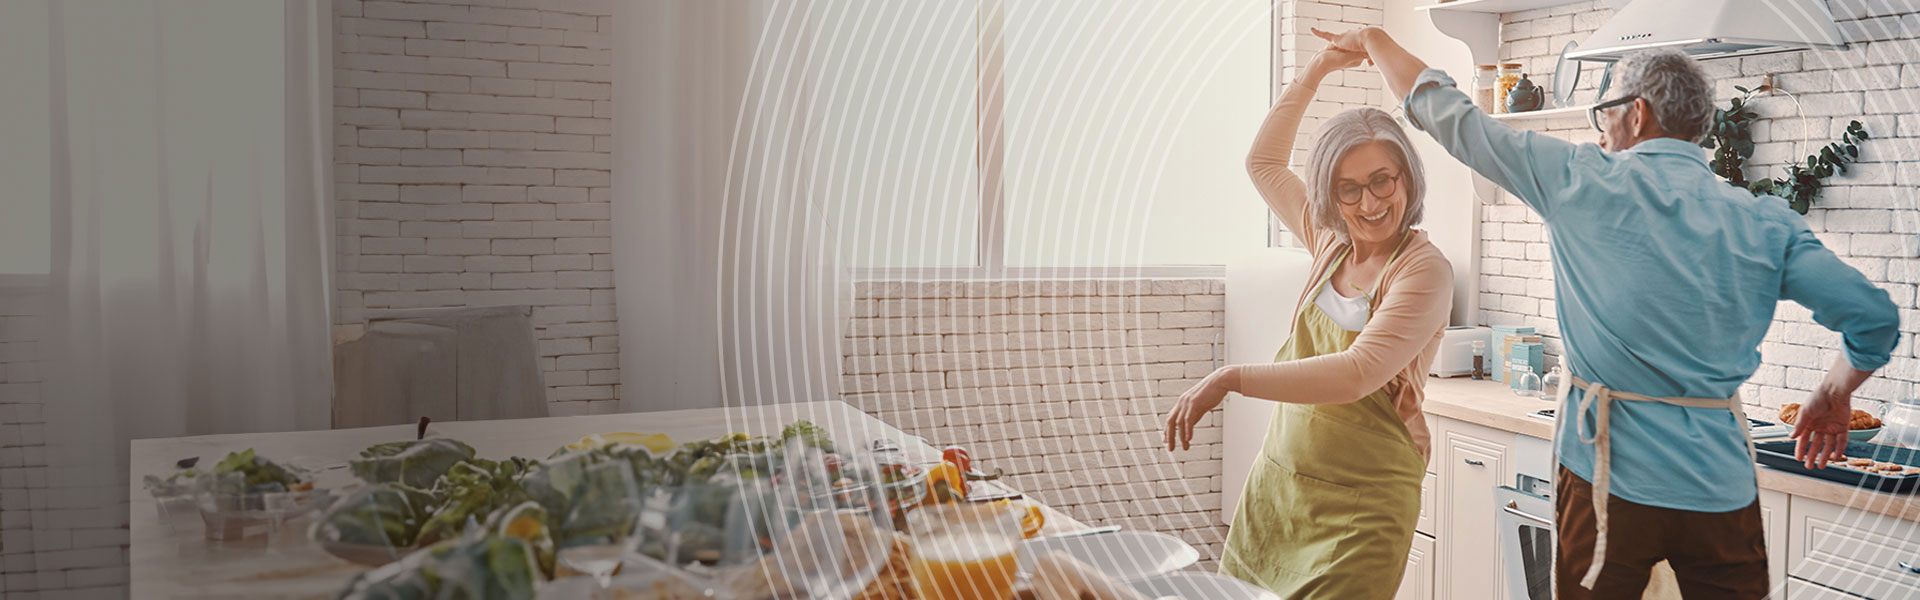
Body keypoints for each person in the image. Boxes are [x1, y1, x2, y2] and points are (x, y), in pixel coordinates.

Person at [1315, 26, 1901, 600]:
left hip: (1604, 481)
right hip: (1719, 487)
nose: (1600, 131)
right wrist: (1833, 391)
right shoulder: (1764, 221)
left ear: (1637, 113)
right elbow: (1874, 319)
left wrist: (1374, 39)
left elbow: (1449, 116)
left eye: (1605, 112)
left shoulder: (1578, 179)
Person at [1161, 44, 1454, 598]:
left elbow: (1356, 373)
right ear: (1329, 194)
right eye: (1348, 188)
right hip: (1281, 487)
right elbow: (1263, 164)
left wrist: (1229, 378)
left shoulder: (1424, 269)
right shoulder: (1329, 243)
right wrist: (1316, 70)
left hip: (1364, 506)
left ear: (1407, 180)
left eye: (1382, 180)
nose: (1369, 202)